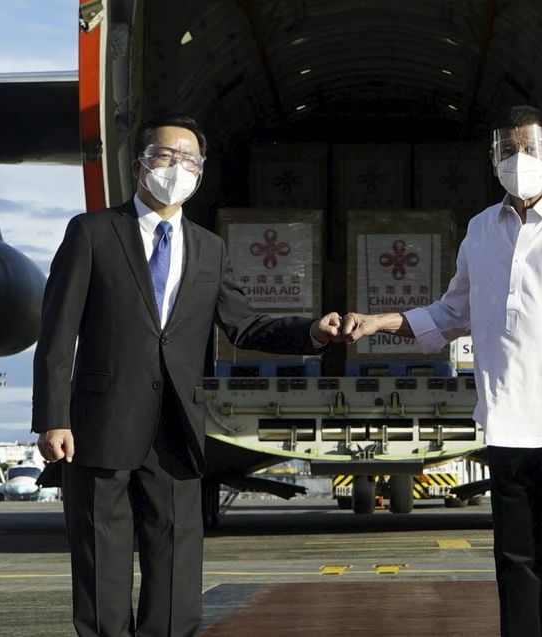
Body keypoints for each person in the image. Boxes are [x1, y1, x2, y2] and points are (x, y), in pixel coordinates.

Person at [32, 114, 343, 636]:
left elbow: (244, 324)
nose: (177, 168)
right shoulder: (91, 232)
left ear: (201, 172)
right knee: (99, 551)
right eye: (164, 156)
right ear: (138, 167)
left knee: (176, 549)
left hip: (177, 421)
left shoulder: (209, 247)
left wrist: (312, 330)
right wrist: (52, 418)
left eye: (189, 160)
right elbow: (57, 335)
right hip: (98, 420)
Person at [340, 105, 542, 637]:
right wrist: (377, 321)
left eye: (527, 148)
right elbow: (451, 314)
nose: (516, 159)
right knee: (516, 567)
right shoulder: (481, 229)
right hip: (507, 426)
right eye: (506, 150)